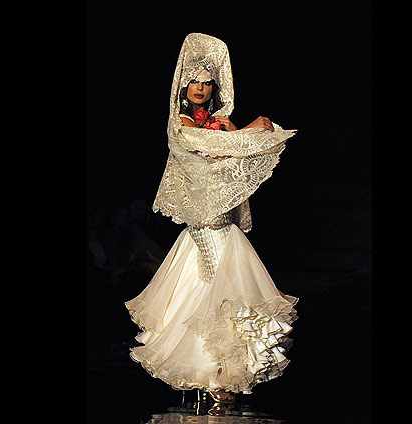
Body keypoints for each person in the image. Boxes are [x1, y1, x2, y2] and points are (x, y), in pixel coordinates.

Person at [125, 33, 298, 404]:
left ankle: (216, 375)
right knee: (222, 290)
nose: (201, 87)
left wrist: (246, 132)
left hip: (221, 218)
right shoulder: (180, 124)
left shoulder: (220, 123)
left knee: (216, 290)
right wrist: (249, 131)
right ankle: (214, 373)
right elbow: (213, 147)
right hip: (205, 219)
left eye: (207, 82)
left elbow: (236, 154)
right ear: (184, 86)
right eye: (195, 82)